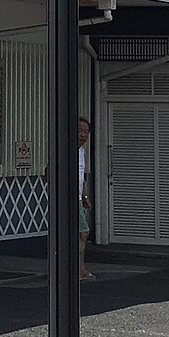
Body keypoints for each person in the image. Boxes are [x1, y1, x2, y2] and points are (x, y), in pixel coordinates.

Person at [77, 115, 93, 280]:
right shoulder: (65, 148)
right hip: (67, 198)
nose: (83, 135)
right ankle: (79, 268)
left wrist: (84, 196)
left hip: (77, 197)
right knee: (83, 232)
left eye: (86, 132)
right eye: (80, 131)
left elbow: (81, 176)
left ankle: (79, 267)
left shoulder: (81, 151)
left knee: (80, 234)